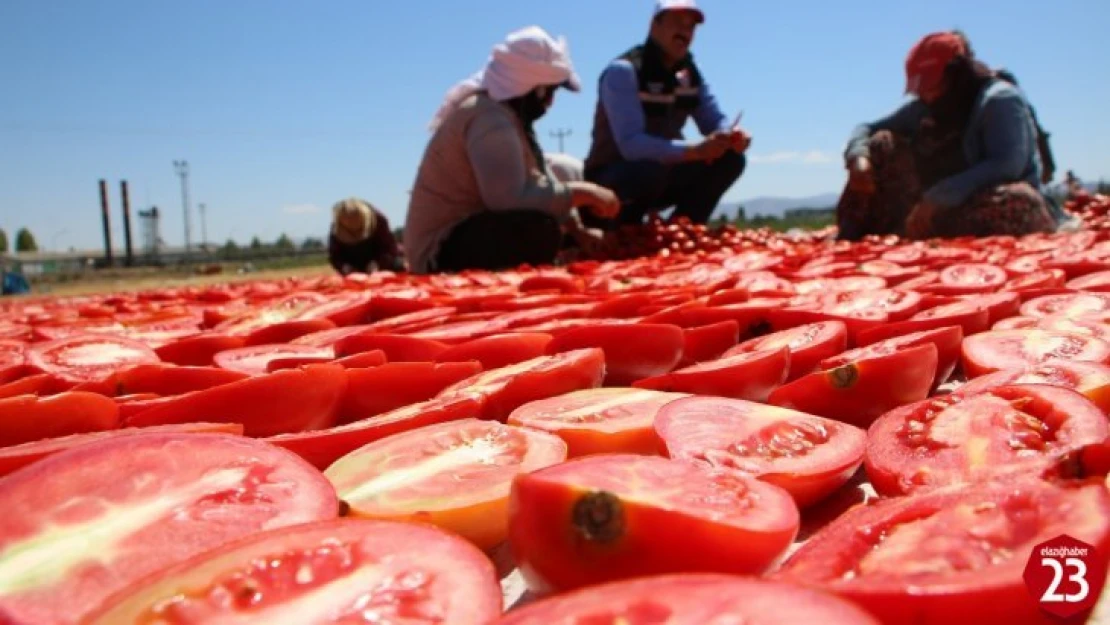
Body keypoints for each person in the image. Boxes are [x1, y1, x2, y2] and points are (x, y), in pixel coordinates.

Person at [403, 26, 620, 274]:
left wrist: (577, 230)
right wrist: (582, 192)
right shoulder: (489, 118)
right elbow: (509, 200)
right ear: (532, 88)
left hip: (463, 233)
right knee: (536, 230)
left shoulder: (508, 117)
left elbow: (538, 180)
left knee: (543, 223)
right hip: (438, 249)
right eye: (548, 92)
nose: (550, 102)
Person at [836, 32, 1058, 241]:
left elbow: (1007, 164)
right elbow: (867, 128)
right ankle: (858, 234)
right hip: (934, 206)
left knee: (1019, 202)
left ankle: (924, 230)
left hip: (978, 200)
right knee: (880, 144)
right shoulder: (924, 107)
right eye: (921, 91)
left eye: (932, 87)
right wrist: (858, 157)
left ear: (957, 75)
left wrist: (939, 197)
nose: (926, 96)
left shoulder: (999, 100)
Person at [581, 0, 751, 230]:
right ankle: (622, 231)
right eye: (677, 23)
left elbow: (714, 119)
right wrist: (695, 151)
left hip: (660, 174)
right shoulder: (624, 71)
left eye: (691, 27)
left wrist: (730, 136)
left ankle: (685, 230)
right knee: (648, 170)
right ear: (654, 25)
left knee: (730, 159)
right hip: (615, 177)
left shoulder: (690, 74)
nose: (685, 32)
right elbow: (631, 146)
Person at [327, 197, 404, 275]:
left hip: (379, 261)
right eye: (347, 219)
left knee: (398, 265)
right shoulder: (336, 228)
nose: (351, 223)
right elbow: (335, 255)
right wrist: (344, 267)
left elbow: (389, 249)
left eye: (355, 218)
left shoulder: (379, 220)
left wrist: (378, 263)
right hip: (353, 266)